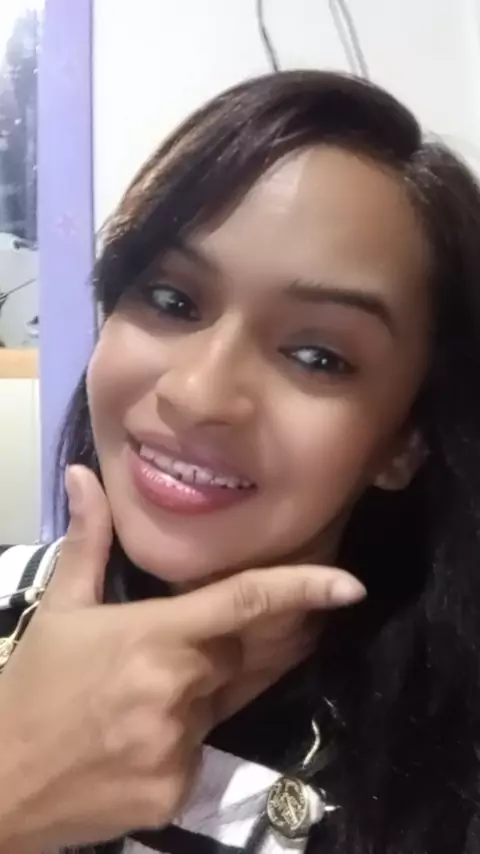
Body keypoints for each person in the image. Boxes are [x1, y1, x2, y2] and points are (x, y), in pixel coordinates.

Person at [1, 68, 480, 854]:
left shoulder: (444, 783)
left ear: (405, 441)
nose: (198, 394)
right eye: (171, 300)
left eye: (318, 355)